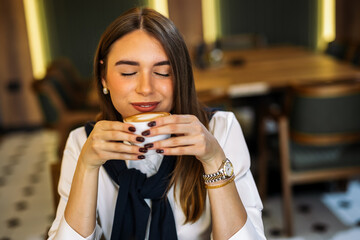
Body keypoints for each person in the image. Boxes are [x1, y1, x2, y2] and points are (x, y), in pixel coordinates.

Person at [48, 7, 266, 240]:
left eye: (163, 72)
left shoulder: (220, 130)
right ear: (104, 78)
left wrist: (213, 160)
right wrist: (87, 166)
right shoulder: (82, 142)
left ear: (181, 76)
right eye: (128, 72)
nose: (146, 88)